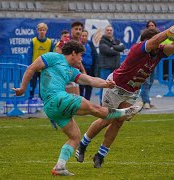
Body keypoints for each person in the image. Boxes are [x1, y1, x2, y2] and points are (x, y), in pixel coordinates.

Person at [75, 11, 174, 168]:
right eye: (157, 41)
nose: (159, 45)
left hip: (132, 90)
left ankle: (100, 155)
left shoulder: (159, 51)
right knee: (107, 119)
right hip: (116, 86)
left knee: (119, 121)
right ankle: (83, 144)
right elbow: (157, 40)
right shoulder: (139, 48)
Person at [11, 40, 142, 176]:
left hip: (51, 108)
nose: (81, 59)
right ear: (73, 53)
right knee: (95, 109)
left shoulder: (72, 71)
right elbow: (31, 68)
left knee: (75, 137)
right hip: (58, 98)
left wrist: (106, 84)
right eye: (80, 55)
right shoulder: (53, 57)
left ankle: (59, 167)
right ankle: (126, 112)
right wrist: (22, 88)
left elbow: (90, 80)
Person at [55, 21, 86, 95]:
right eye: (76, 29)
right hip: (66, 72)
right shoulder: (66, 41)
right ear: (71, 30)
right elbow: (58, 51)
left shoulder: (79, 42)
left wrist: (83, 70)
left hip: (75, 72)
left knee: (76, 96)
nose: (78, 31)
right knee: (71, 97)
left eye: (80, 29)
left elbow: (78, 59)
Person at [98, 25, 125, 105]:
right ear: (105, 32)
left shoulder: (116, 40)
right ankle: (102, 103)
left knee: (115, 87)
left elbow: (122, 47)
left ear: (113, 32)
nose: (109, 31)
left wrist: (112, 47)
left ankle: (112, 103)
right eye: (107, 30)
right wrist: (117, 50)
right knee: (104, 86)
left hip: (115, 68)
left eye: (110, 30)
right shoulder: (102, 41)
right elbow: (107, 51)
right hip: (106, 67)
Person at [27, 22, 55, 99]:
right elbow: (30, 54)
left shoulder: (50, 42)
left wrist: (51, 66)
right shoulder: (33, 41)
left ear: (46, 31)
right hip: (34, 67)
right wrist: (30, 65)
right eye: (40, 30)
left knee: (43, 84)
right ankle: (31, 97)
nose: (42, 31)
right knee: (32, 83)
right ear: (37, 31)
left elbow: (52, 55)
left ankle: (41, 98)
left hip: (44, 67)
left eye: (43, 30)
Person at [140, 20, 158, 109]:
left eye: (153, 25)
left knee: (150, 82)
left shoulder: (159, 37)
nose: (151, 27)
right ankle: (146, 101)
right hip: (145, 63)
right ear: (147, 28)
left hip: (154, 62)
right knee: (146, 83)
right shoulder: (144, 37)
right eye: (150, 25)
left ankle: (144, 100)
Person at [79, 30, 98, 101]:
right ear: (80, 37)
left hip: (90, 69)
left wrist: (95, 69)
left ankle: (87, 102)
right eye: (82, 36)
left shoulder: (90, 44)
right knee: (81, 86)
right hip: (81, 70)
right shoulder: (78, 44)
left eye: (85, 36)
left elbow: (95, 56)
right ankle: (81, 102)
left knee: (89, 86)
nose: (84, 37)